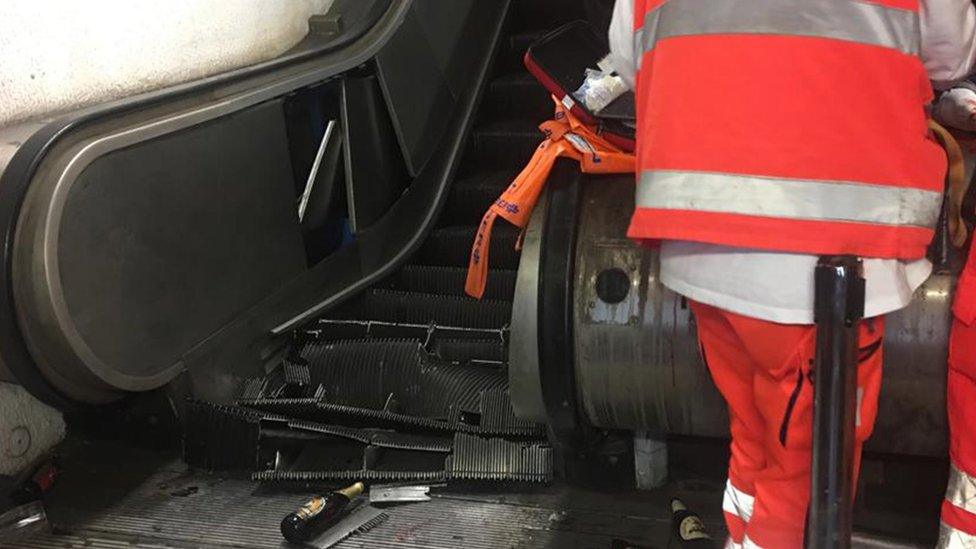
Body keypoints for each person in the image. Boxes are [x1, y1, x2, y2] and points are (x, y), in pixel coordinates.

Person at [608, 1, 976, 547]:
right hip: (820, 256)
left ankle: (742, 537)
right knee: (805, 469)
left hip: (695, 240)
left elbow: (627, 58)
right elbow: (953, 55)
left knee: (755, 434)